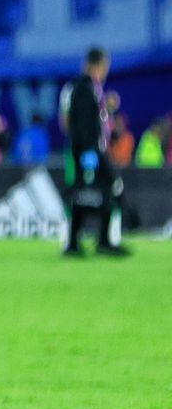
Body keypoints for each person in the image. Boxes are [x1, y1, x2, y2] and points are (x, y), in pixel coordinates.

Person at [60, 48, 128, 257]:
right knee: (103, 189)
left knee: (87, 191)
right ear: (98, 65)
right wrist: (88, 151)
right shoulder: (83, 88)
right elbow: (79, 125)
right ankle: (97, 241)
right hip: (88, 152)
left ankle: (87, 241)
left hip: (91, 150)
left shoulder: (92, 89)